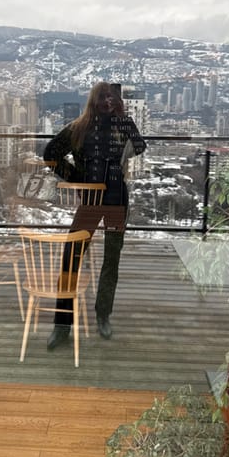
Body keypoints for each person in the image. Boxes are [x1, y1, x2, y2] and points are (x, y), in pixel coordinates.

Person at [43, 82, 146, 350]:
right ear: (94, 100)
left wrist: (122, 118)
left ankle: (103, 315)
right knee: (71, 258)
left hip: (115, 201)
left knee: (112, 258)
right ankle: (62, 324)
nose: (108, 103)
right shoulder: (80, 127)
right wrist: (77, 178)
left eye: (112, 99)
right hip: (90, 201)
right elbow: (50, 153)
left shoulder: (121, 125)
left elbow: (140, 146)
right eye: (103, 98)